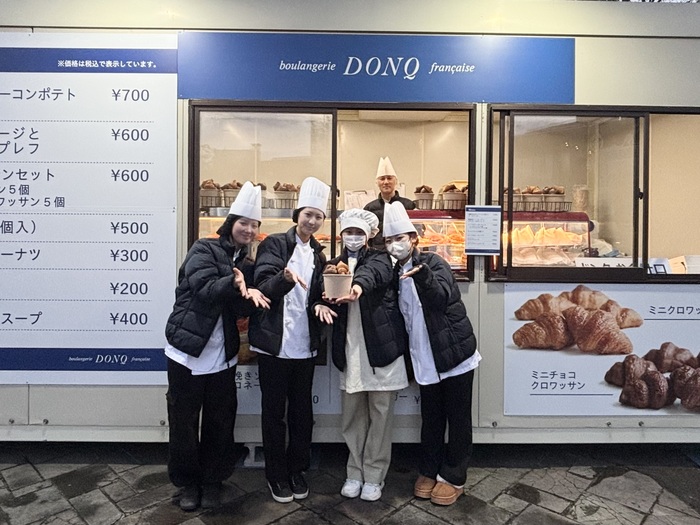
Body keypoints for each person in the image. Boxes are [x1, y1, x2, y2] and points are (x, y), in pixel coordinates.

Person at [164, 181, 271, 511]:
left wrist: (256, 294)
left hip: (223, 355)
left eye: (254, 225)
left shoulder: (248, 263)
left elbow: (239, 308)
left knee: (220, 422)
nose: (248, 230)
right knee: (183, 422)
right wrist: (234, 282)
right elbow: (204, 288)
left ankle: (212, 481)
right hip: (187, 350)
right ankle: (188, 484)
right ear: (231, 222)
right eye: (243, 223)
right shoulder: (203, 249)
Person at [382, 201, 481, 506]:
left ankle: (454, 476)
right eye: (389, 240)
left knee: (458, 418)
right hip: (424, 358)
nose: (395, 244)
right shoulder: (393, 273)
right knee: (431, 418)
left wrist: (422, 276)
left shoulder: (434, 263)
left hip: (454, 354)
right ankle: (429, 469)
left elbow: (441, 297)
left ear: (414, 238)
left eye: (400, 238)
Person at [314, 208, 408, 502]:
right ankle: (354, 472)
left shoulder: (380, 259)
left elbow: (373, 275)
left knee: (381, 416)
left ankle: (375, 475)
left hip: (381, 350)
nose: (353, 238)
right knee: (352, 417)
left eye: (358, 233)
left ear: (368, 237)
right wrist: (319, 303)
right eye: (349, 232)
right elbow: (319, 291)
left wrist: (356, 288)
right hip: (350, 350)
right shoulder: (332, 265)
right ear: (341, 235)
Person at [248, 176, 331, 504]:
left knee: (301, 412)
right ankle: (276, 474)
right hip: (273, 344)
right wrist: (283, 278)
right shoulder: (274, 245)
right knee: (273, 413)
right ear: (297, 215)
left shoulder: (319, 254)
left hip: (304, 344)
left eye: (318, 216)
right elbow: (262, 285)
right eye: (308, 214)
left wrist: (321, 302)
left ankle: (297, 469)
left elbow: (316, 294)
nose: (312, 221)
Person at [364, 156, 416, 250]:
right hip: (377, 254)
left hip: (403, 252)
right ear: (377, 183)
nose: (386, 182)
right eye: (382, 179)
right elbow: (366, 235)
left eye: (389, 178)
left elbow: (417, 230)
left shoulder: (408, 205)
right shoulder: (369, 208)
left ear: (396, 181)